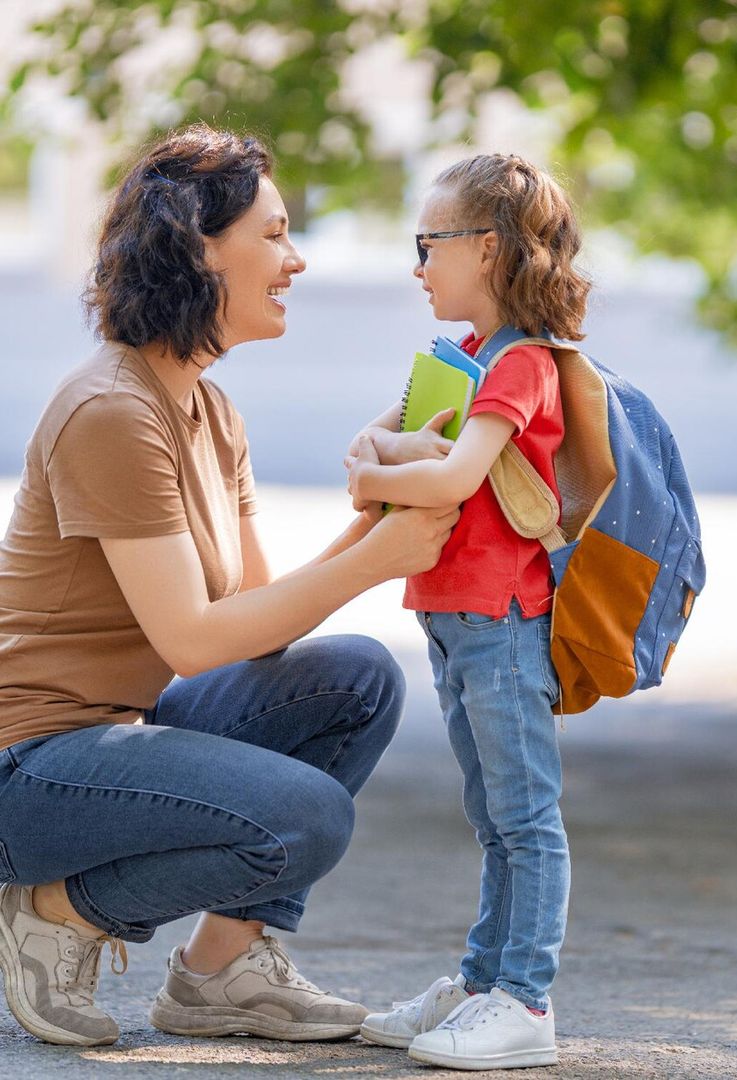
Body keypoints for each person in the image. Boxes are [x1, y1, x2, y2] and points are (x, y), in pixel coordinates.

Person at [0, 124, 459, 1048]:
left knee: (357, 680)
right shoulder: (112, 412)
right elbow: (195, 644)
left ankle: (220, 971)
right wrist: (379, 557)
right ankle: (57, 911)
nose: (295, 259)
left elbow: (254, 627)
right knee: (305, 817)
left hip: (108, 739)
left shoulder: (209, 409)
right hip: (27, 769)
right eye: (276, 233)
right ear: (198, 247)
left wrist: (374, 510)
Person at [344, 153, 591, 1070]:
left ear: (485, 250)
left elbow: (441, 472)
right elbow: (372, 437)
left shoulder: (521, 363)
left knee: (526, 818)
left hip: (499, 619)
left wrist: (380, 470)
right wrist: (385, 454)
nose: (417, 266)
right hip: (453, 619)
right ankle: (483, 980)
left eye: (428, 244)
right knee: (494, 816)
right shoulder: (462, 361)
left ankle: (524, 1002)